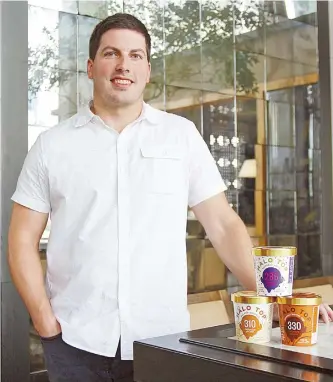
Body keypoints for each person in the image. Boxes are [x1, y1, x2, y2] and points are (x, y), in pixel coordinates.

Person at [8, 12, 333, 382]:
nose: (123, 64)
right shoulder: (53, 145)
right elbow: (21, 238)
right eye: (111, 53)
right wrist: (43, 319)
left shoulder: (181, 136)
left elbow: (224, 225)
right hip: (74, 342)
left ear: (147, 69)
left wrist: (271, 299)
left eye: (135, 55)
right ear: (91, 66)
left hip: (164, 340)